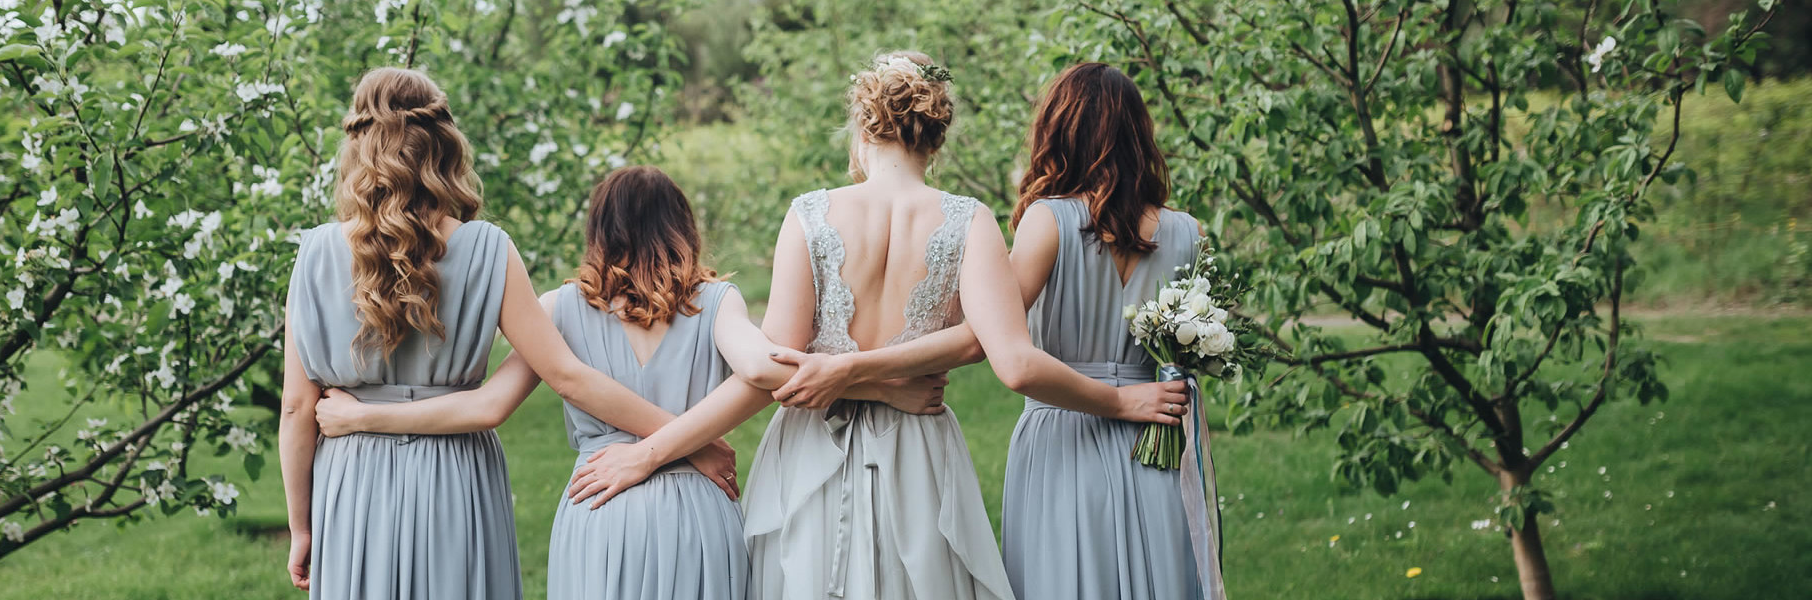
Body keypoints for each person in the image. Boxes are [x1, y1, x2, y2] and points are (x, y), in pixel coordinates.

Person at [568, 52, 1192, 600]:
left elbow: (775, 368)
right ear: (936, 134)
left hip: (813, 445)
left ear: (864, 124)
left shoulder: (811, 213)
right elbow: (985, 340)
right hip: (915, 443)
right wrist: (884, 385)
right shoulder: (969, 220)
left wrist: (841, 372)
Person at [310, 166, 952, 600]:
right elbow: (766, 368)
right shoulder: (717, 301)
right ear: (682, 227)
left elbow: (490, 403)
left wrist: (363, 416)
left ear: (599, 230)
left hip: (599, 507)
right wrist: (877, 387)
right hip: (696, 510)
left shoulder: (559, 309)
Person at [278, 67, 709, 600]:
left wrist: (302, 527)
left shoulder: (315, 253)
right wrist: (689, 442)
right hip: (454, 475)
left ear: (358, 144)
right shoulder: (489, 248)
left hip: (352, 477)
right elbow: (568, 376)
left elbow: (298, 409)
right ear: (445, 146)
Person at [998, 62, 1226, 600]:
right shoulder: (1188, 232)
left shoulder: (1045, 221)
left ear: (1058, 131)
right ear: (1137, 135)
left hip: (1064, 429)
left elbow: (991, 334)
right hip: (1156, 435)